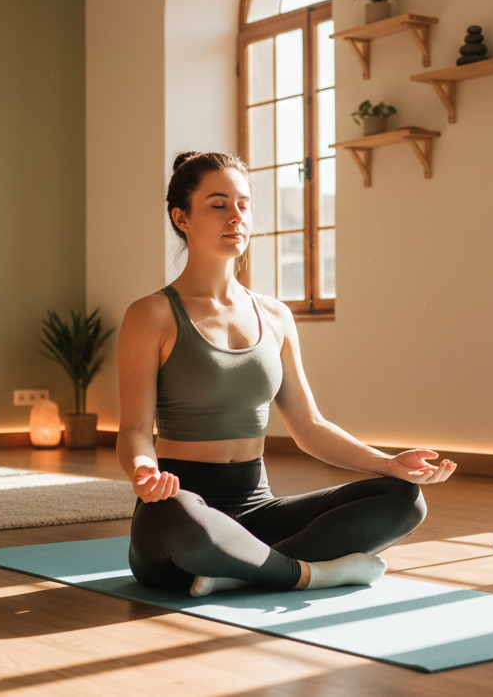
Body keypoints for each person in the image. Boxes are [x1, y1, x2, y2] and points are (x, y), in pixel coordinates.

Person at [116, 151, 456, 597]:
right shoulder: (151, 315)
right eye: (218, 204)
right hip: (182, 507)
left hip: (260, 512)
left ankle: (242, 568)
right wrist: (144, 472)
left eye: (243, 203)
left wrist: (388, 463)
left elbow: (310, 428)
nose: (235, 216)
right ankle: (311, 573)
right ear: (182, 217)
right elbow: (136, 429)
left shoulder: (274, 315)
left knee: (404, 499)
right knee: (180, 523)